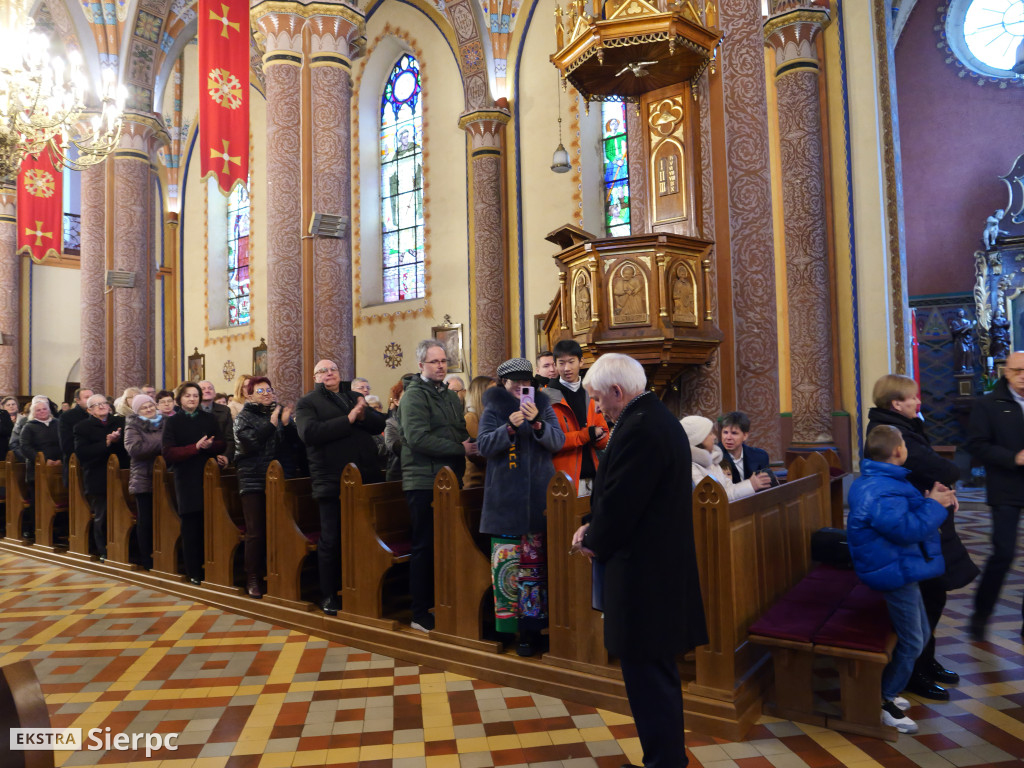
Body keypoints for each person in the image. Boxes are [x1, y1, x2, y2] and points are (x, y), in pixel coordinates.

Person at [571, 353, 707, 768]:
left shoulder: (642, 427)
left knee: (649, 677)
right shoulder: (650, 418)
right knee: (653, 675)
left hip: (645, 576)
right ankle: (665, 759)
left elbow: (624, 502)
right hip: (653, 568)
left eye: (598, 399)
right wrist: (592, 525)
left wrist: (594, 539)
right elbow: (624, 492)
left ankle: (665, 762)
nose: (598, 408)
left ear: (617, 391)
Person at [866, 374, 976, 699]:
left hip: (925, 521)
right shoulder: (893, 434)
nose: (918, 401)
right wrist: (941, 485)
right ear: (896, 403)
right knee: (929, 597)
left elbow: (931, 470)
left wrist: (939, 488)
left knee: (934, 595)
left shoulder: (904, 427)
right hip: (916, 526)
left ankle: (926, 662)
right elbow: (943, 468)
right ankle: (915, 671)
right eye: (913, 397)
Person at [846, 425, 954, 734]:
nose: (905, 446)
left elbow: (904, 512)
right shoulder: (881, 490)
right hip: (892, 570)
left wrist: (932, 499)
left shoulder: (885, 481)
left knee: (919, 634)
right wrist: (934, 505)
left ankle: (887, 691)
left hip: (899, 566)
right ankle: (884, 699)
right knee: (913, 640)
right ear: (897, 451)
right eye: (904, 443)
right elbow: (906, 529)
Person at [477, 358, 564, 655]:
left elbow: (557, 441)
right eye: (515, 382)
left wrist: (538, 423)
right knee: (507, 566)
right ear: (504, 383)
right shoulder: (493, 408)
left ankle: (531, 631)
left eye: (526, 382)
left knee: (534, 571)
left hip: (538, 499)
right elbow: (484, 446)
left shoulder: (543, 406)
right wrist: (509, 428)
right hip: (504, 501)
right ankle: (507, 630)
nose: (521, 387)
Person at [294, 360, 387, 616]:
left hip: (364, 478)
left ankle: (360, 589)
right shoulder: (308, 402)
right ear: (315, 377)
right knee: (332, 538)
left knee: (363, 536)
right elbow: (309, 433)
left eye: (333, 369)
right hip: (330, 479)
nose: (329, 373)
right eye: (322, 371)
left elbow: (379, 425)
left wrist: (363, 414)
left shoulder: (354, 396)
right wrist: (348, 419)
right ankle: (328, 594)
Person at [397, 340, 475, 632]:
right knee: (425, 546)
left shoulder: (450, 396)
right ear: (421, 365)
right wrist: (460, 449)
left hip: (449, 479)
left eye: (443, 361)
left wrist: (475, 445)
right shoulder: (414, 396)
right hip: (423, 480)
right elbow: (417, 438)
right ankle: (419, 612)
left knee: (446, 545)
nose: (441, 366)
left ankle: (444, 602)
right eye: (435, 362)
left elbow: (458, 431)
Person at [967, 351, 1024, 640]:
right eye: (1017, 371)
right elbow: (977, 445)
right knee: (1003, 553)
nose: (1023, 376)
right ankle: (981, 614)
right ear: (1006, 372)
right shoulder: (987, 405)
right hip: (1006, 488)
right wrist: (1013, 458)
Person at [162, 382, 227, 584]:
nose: (192, 399)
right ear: (179, 399)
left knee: (210, 522)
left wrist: (210, 447)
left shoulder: (209, 418)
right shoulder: (173, 422)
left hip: (208, 475)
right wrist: (195, 447)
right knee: (191, 525)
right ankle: (193, 572)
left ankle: (212, 567)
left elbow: (221, 442)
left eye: (195, 396)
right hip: (186, 477)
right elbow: (169, 452)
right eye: (188, 396)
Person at [234, 377, 292, 599]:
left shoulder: (276, 414)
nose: (267, 393)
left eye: (269, 390)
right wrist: (273, 424)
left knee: (276, 527)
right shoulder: (243, 418)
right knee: (256, 531)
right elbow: (250, 444)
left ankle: (275, 574)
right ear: (249, 395)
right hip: (252, 478)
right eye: (260, 391)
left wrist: (288, 425)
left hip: (275, 477)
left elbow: (289, 446)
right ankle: (252, 577)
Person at [545, 340, 608, 496]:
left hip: (594, 474)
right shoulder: (547, 397)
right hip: (563, 478)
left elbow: (603, 434)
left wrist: (599, 437)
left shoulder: (591, 392)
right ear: (555, 365)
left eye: (571, 362)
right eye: (561, 363)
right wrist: (587, 435)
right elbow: (551, 441)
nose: (566, 368)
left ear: (581, 361)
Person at [74, 394, 129, 560]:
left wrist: (117, 441)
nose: (101, 406)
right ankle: (104, 549)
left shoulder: (120, 422)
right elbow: (82, 453)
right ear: (90, 410)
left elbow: (129, 447)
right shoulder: (82, 427)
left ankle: (125, 549)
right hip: (97, 476)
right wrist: (105, 443)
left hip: (121, 474)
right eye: (96, 405)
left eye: (104, 403)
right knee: (103, 515)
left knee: (123, 513)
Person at [682, 415, 769, 500]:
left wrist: (751, 484)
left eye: (734, 433)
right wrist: (750, 485)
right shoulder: (690, 466)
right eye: (710, 433)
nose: (714, 437)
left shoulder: (713, 459)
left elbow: (729, 489)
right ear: (699, 439)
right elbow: (714, 498)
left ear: (745, 435)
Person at [124, 394, 165, 570]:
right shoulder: (132, 425)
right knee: (146, 520)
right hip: (143, 478)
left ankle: (164, 554)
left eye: (150, 405)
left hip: (165, 477)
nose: (148, 409)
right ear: (137, 411)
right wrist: (164, 444)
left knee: (165, 518)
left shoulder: (166, 422)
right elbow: (135, 449)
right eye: (143, 407)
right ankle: (146, 557)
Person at [20, 397, 62, 540]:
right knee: (38, 501)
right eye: (38, 410)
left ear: (49, 410)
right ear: (33, 412)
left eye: (44, 409)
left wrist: (60, 460)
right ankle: (36, 530)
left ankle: (56, 530)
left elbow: (64, 443)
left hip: (58, 469)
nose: (42, 412)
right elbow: (25, 447)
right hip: (37, 471)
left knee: (56, 498)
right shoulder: (29, 427)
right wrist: (42, 460)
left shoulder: (57, 423)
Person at [717, 411, 775, 487]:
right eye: (725, 432)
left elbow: (766, 487)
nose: (728, 437)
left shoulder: (760, 456)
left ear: (745, 436)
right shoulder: (714, 457)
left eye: (734, 433)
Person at [462, 375, 494, 489]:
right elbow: (477, 452)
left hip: (489, 481)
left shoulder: (490, 416)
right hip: (476, 482)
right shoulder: (471, 418)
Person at [58, 388, 93, 486]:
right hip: (75, 464)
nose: (90, 400)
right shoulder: (67, 417)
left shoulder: (98, 415)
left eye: (92, 397)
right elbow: (66, 444)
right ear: (77, 400)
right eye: (87, 397)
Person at [198, 380, 235, 462]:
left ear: (214, 393)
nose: (207, 390)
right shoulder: (193, 410)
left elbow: (230, 438)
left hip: (220, 455)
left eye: (210, 388)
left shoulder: (225, 410)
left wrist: (226, 456)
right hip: (197, 456)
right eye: (203, 389)